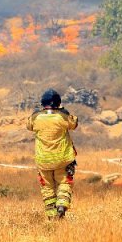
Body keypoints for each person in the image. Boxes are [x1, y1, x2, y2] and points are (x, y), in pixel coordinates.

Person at [26, 89, 78, 220]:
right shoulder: (62, 117)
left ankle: (52, 217)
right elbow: (74, 124)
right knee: (64, 183)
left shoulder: (35, 117)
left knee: (47, 187)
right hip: (62, 159)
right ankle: (61, 205)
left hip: (43, 160)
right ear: (58, 102)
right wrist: (63, 111)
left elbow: (29, 125)